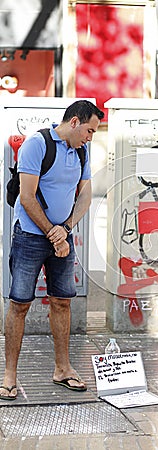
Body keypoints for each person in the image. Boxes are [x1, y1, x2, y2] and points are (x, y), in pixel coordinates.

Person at [0, 100, 104, 400]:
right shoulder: (37, 144)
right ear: (74, 121)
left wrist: (67, 228)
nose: (90, 137)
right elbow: (27, 196)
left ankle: (63, 369)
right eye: (89, 130)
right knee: (19, 304)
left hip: (63, 235)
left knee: (62, 302)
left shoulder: (82, 149)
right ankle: (9, 376)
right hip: (31, 237)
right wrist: (52, 233)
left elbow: (85, 192)